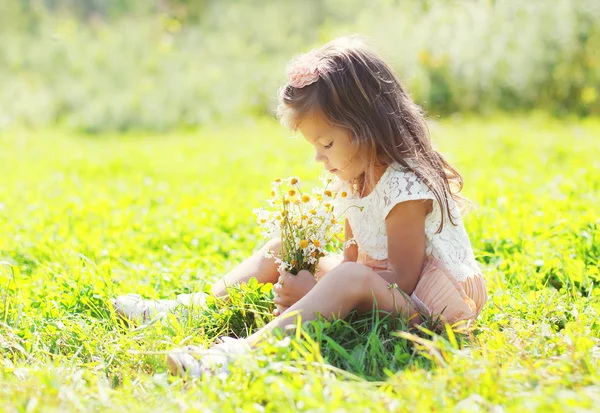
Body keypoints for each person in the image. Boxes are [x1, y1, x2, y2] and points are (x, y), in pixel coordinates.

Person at [113, 34, 488, 378]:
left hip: (430, 307)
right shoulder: (354, 181)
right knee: (284, 250)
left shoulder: (405, 186)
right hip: (381, 286)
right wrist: (312, 280)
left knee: (344, 278)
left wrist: (312, 292)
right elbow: (353, 262)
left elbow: (401, 283)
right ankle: (187, 306)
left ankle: (240, 355)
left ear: (366, 128)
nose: (318, 159)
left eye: (326, 144)